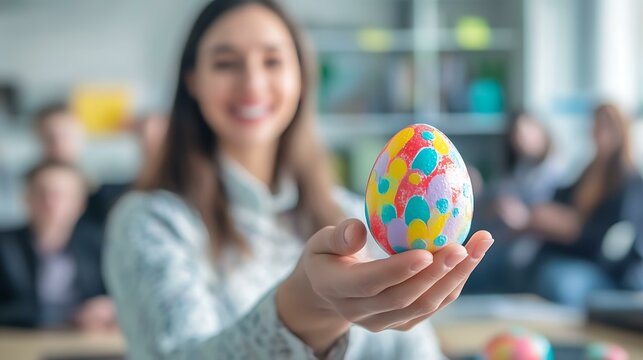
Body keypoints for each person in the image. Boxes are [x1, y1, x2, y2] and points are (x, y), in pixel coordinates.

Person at [104, 1, 494, 359]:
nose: (252, 84)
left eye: (272, 62)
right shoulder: (150, 223)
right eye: (226, 63)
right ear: (193, 81)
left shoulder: (350, 215)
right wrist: (299, 315)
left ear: (301, 77)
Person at [521, 104, 643, 307]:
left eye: (603, 125)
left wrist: (575, 228)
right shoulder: (589, 170)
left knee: (558, 280)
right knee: (529, 264)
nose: (596, 131)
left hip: (602, 267)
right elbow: (563, 200)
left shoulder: (629, 182)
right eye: (595, 124)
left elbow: (613, 241)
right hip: (572, 254)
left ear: (619, 130)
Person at [0, 161, 116, 331]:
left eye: (60, 195)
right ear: (26, 198)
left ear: (80, 204)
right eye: (42, 194)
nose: (51, 203)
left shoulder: (98, 246)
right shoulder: (5, 247)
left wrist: (110, 307)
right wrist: (70, 316)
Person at [466, 112, 564, 294]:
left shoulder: (554, 171)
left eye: (526, 131)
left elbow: (547, 214)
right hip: (504, 232)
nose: (521, 138)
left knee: (480, 264)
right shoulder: (521, 167)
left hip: (527, 241)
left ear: (541, 131)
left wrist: (522, 216)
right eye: (516, 133)